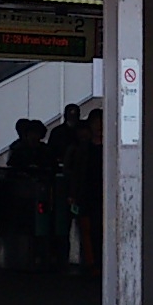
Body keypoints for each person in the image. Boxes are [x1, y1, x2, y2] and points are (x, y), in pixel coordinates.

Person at [67, 111, 104, 273]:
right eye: (95, 123)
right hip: (88, 195)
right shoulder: (83, 149)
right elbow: (76, 173)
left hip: (105, 196)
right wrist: (73, 194)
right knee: (89, 231)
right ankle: (92, 263)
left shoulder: (113, 147)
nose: (99, 127)